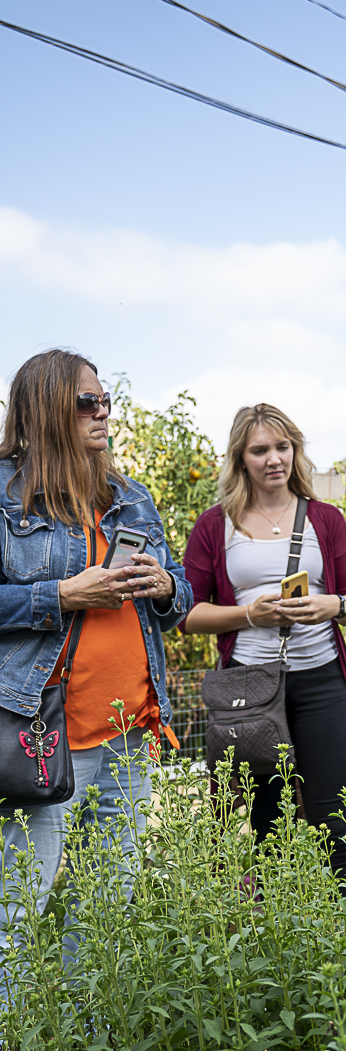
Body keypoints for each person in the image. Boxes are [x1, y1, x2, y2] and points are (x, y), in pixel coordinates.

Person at [0, 348, 193, 952]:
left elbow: (181, 594)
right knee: (17, 910)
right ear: (46, 409)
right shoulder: (5, 496)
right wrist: (61, 594)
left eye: (105, 400)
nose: (103, 412)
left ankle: (86, 1019)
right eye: (88, 402)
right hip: (43, 734)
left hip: (128, 731)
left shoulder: (129, 496)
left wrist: (166, 587)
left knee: (105, 910)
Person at [182, 403, 346, 872]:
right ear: (240, 459)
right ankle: (277, 915)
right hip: (250, 687)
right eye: (259, 450)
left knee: (341, 821)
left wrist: (331, 606)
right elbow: (187, 614)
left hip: (322, 681)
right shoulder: (215, 524)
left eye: (282, 447)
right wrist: (250, 615)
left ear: (295, 450)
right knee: (269, 822)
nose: (273, 459)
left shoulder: (325, 519)